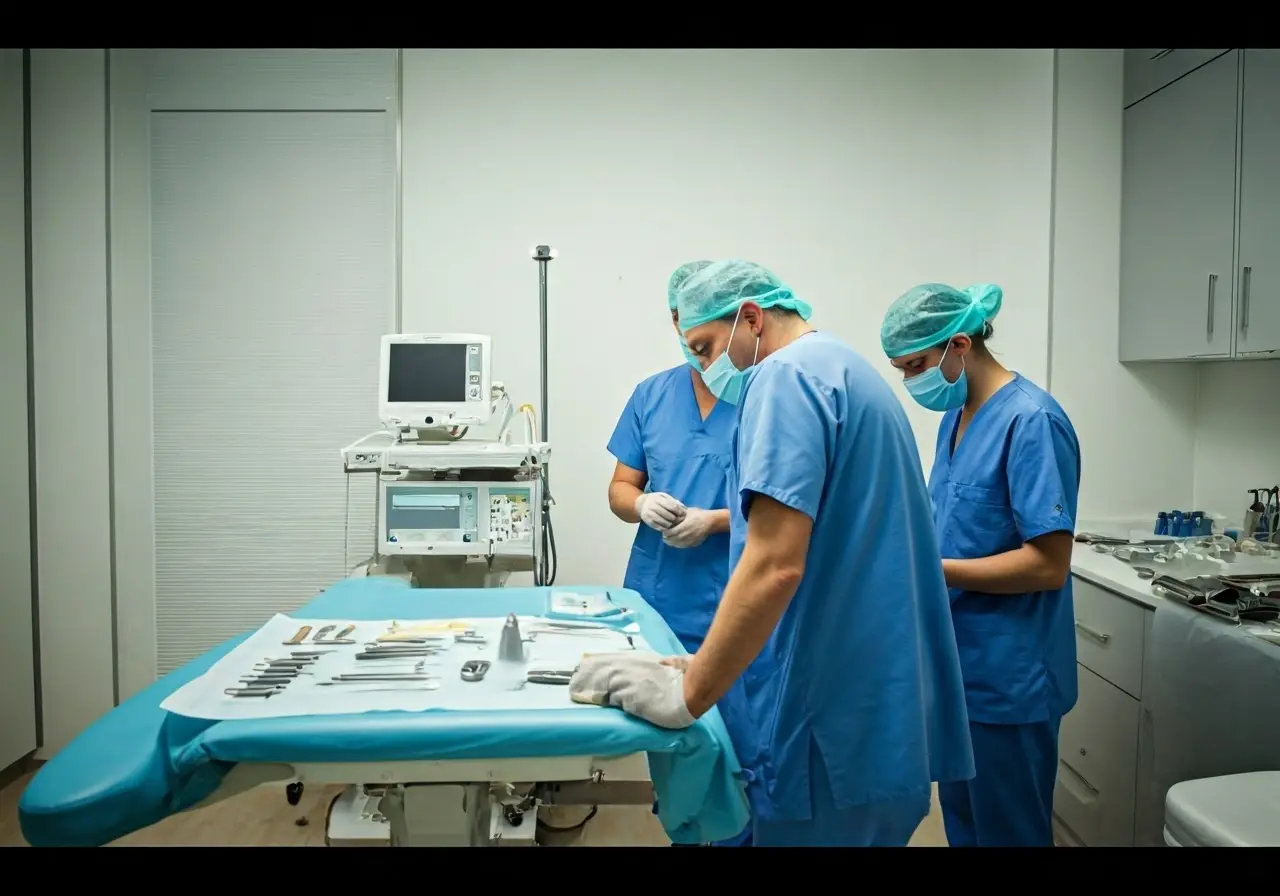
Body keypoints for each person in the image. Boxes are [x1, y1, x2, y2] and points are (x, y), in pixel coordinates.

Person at [575, 259, 975, 847]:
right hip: (869, 702)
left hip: (826, 717)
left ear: (752, 317)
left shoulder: (787, 379)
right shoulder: (843, 369)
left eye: (706, 346)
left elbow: (774, 562)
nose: (706, 367)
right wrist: (707, 664)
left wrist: (691, 693)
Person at [880, 282, 1081, 848]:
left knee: (1009, 832)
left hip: (1010, 677)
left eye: (916, 365)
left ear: (960, 344)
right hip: (960, 670)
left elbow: (1047, 565)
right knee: (966, 825)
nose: (911, 381)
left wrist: (930, 568)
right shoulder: (958, 417)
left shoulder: (1032, 421)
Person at [604, 260, 752, 847]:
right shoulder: (652, 395)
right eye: (688, 333)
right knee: (677, 749)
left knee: (740, 748)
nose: (700, 349)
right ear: (674, 321)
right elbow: (620, 489)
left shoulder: (761, 392)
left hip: (737, 600)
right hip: (661, 602)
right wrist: (640, 506)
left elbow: (794, 506)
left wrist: (717, 521)